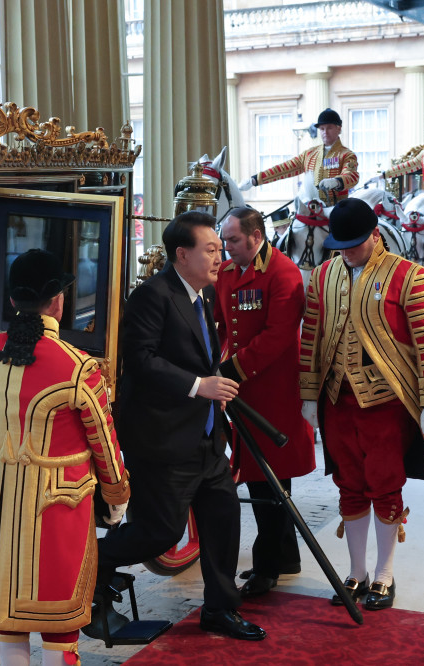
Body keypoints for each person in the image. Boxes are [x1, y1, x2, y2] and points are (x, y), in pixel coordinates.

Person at [96, 211, 266, 641]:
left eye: (220, 248)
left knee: (223, 518)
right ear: (181, 254)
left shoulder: (204, 294)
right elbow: (140, 360)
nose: (219, 257)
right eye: (210, 249)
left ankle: (220, 609)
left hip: (206, 436)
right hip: (163, 439)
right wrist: (198, 386)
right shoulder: (152, 296)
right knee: (161, 532)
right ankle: (91, 562)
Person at [0, 249, 131, 666]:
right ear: (58, 301)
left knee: (10, 614)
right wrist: (116, 495)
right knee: (58, 626)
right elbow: (104, 443)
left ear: (11, 301)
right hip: (55, 506)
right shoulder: (78, 366)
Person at [299, 198, 424, 611]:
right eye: (340, 244)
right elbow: (311, 335)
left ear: (374, 235)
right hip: (337, 401)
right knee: (348, 485)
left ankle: (385, 574)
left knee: (384, 485)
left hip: (386, 403)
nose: (346, 251)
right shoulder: (323, 275)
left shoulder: (408, 275)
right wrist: (309, 393)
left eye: (354, 243)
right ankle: (356, 572)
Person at [212, 207, 316, 598]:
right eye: (224, 240)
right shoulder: (225, 274)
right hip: (241, 390)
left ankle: (268, 565)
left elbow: (277, 336)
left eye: (233, 240)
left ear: (256, 238)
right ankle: (285, 556)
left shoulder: (283, 273)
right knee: (261, 479)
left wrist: (230, 369)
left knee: (270, 481)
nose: (226, 248)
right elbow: (224, 326)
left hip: (273, 395)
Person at [239, 108, 359, 206]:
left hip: (337, 207)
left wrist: (336, 182)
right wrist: (255, 180)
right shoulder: (310, 154)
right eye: (322, 129)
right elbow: (285, 168)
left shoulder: (347, 155)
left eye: (329, 128)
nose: (325, 132)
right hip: (313, 207)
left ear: (339, 129)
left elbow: (351, 175)